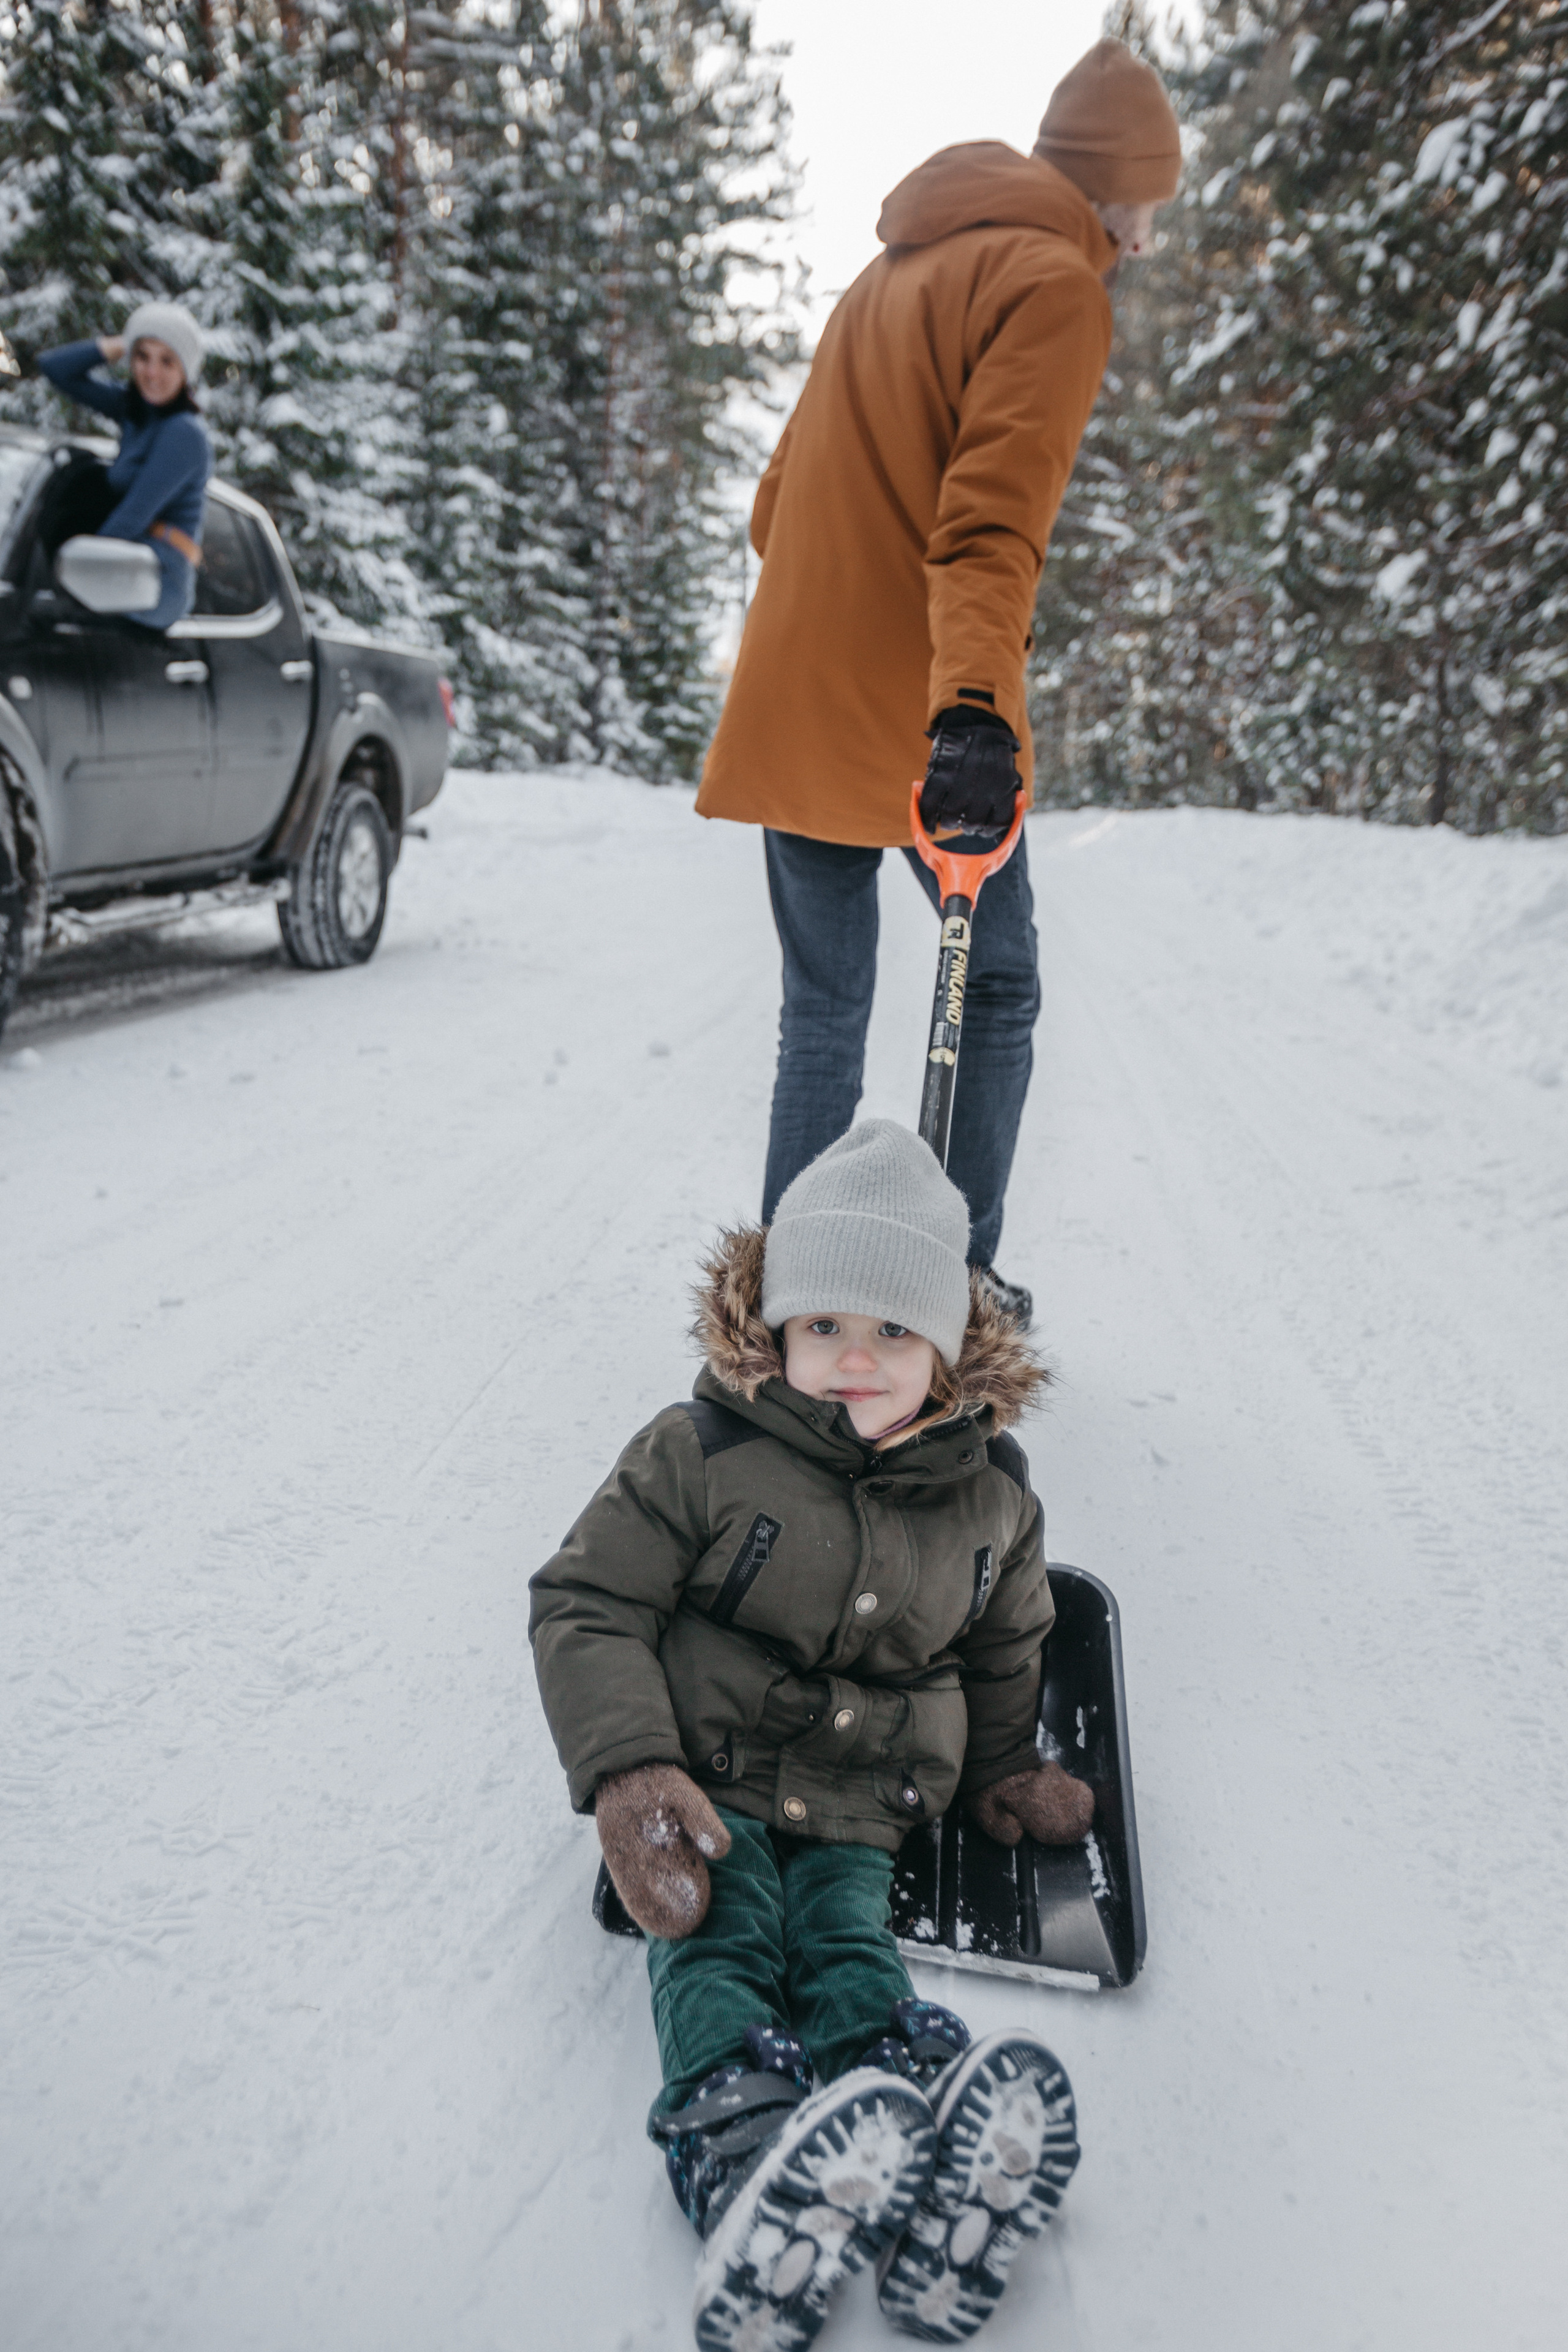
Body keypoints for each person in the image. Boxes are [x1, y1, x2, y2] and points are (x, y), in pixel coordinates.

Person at [530, 1119, 1094, 2349]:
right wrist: (629, 1766)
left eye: (894, 1330)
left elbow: (1004, 1644)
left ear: (947, 1348)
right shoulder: (703, 1452)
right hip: (705, 1782)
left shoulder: (989, 1496)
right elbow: (587, 1598)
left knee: (847, 1937)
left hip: (859, 1799)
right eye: (824, 1324)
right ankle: (736, 2140)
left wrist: (1000, 1768)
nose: (854, 1358)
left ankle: (918, 2119)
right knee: (718, 1936)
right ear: (774, 1325)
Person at [697, 41, 1184, 1325]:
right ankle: (949, 1297)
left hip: (792, 699)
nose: (1141, 243)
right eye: (1146, 210)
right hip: (920, 716)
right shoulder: (1052, 285)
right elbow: (987, 526)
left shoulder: (888, 267)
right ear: (1112, 190)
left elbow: (772, 505)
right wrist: (971, 707)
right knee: (1002, 985)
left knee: (823, 1010)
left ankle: (788, 1313)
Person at [37, 301, 211, 631]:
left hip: (155, 580)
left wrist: (76, 570)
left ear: (186, 371)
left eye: (167, 361)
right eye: (142, 356)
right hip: (125, 567)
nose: (151, 373)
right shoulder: (135, 410)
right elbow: (54, 368)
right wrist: (122, 342)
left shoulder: (184, 433)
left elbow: (133, 515)